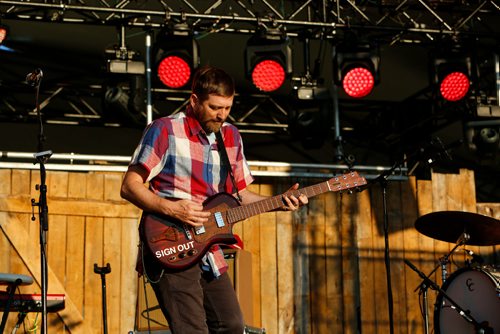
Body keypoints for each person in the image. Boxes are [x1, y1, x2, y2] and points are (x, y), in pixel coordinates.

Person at [120, 65, 308, 334]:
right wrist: (173, 209)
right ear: (194, 100)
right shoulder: (164, 130)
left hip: (208, 249)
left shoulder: (230, 136)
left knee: (231, 325)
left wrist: (280, 202)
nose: (222, 115)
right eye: (214, 107)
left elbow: (240, 196)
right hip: (170, 244)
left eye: (227, 108)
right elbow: (129, 186)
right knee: (191, 329)